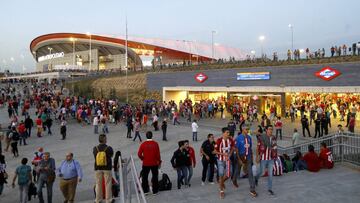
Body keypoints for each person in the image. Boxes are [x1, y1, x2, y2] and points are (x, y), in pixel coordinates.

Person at [255, 125, 277, 196]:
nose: (271, 131)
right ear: (266, 130)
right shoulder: (261, 137)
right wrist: (257, 156)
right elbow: (258, 147)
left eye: (272, 129)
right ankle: (256, 178)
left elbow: (275, 147)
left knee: (270, 174)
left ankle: (270, 189)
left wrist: (275, 155)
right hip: (263, 158)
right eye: (269, 129)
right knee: (262, 172)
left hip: (271, 159)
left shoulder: (273, 137)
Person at [236, 126, 258, 197]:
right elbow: (236, 150)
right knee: (237, 169)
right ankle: (234, 179)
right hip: (241, 156)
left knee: (250, 172)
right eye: (246, 129)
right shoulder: (238, 138)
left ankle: (252, 188)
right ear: (242, 129)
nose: (248, 130)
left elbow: (250, 148)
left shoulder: (249, 138)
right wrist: (239, 159)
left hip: (248, 157)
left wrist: (251, 158)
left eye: (248, 129)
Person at [214, 127, 235, 199]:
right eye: (227, 132)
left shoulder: (230, 140)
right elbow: (214, 151)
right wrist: (223, 154)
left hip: (228, 160)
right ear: (223, 133)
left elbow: (233, 147)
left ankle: (221, 183)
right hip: (220, 160)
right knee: (221, 174)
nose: (228, 134)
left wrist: (230, 154)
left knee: (229, 173)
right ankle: (221, 191)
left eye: (229, 132)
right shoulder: (219, 141)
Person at [93, 134, 114, 203]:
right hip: (107, 168)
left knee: (98, 184)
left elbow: (95, 156)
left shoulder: (95, 148)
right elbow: (111, 155)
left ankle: (98, 200)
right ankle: (108, 200)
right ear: (104, 139)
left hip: (98, 168)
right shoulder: (109, 148)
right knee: (108, 183)